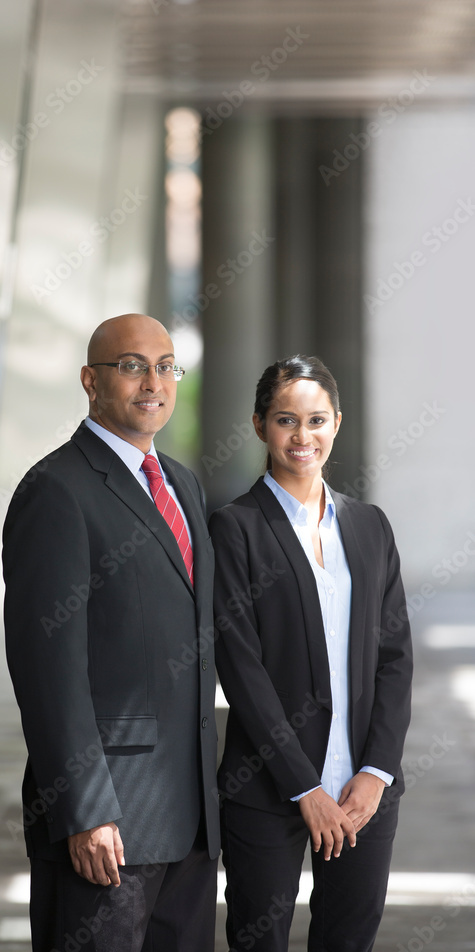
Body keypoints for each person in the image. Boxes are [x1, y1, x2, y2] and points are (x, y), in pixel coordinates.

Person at [2, 313, 220, 952]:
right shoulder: (56, 490)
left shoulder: (180, 483)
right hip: (108, 825)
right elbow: (49, 671)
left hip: (191, 817)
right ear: (89, 381)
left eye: (165, 365)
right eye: (131, 365)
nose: (153, 381)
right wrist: (86, 807)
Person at [209, 355, 413, 952]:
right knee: (258, 939)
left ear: (337, 423)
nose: (303, 437)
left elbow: (395, 658)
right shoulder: (235, 528)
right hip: (268, 787)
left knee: (349, 941)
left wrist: (376, 774)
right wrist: (305, 787)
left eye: (317, 420)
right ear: (258, 426)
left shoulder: (370, 526)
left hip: (363, 792)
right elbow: (240, 667)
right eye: (285, 420)